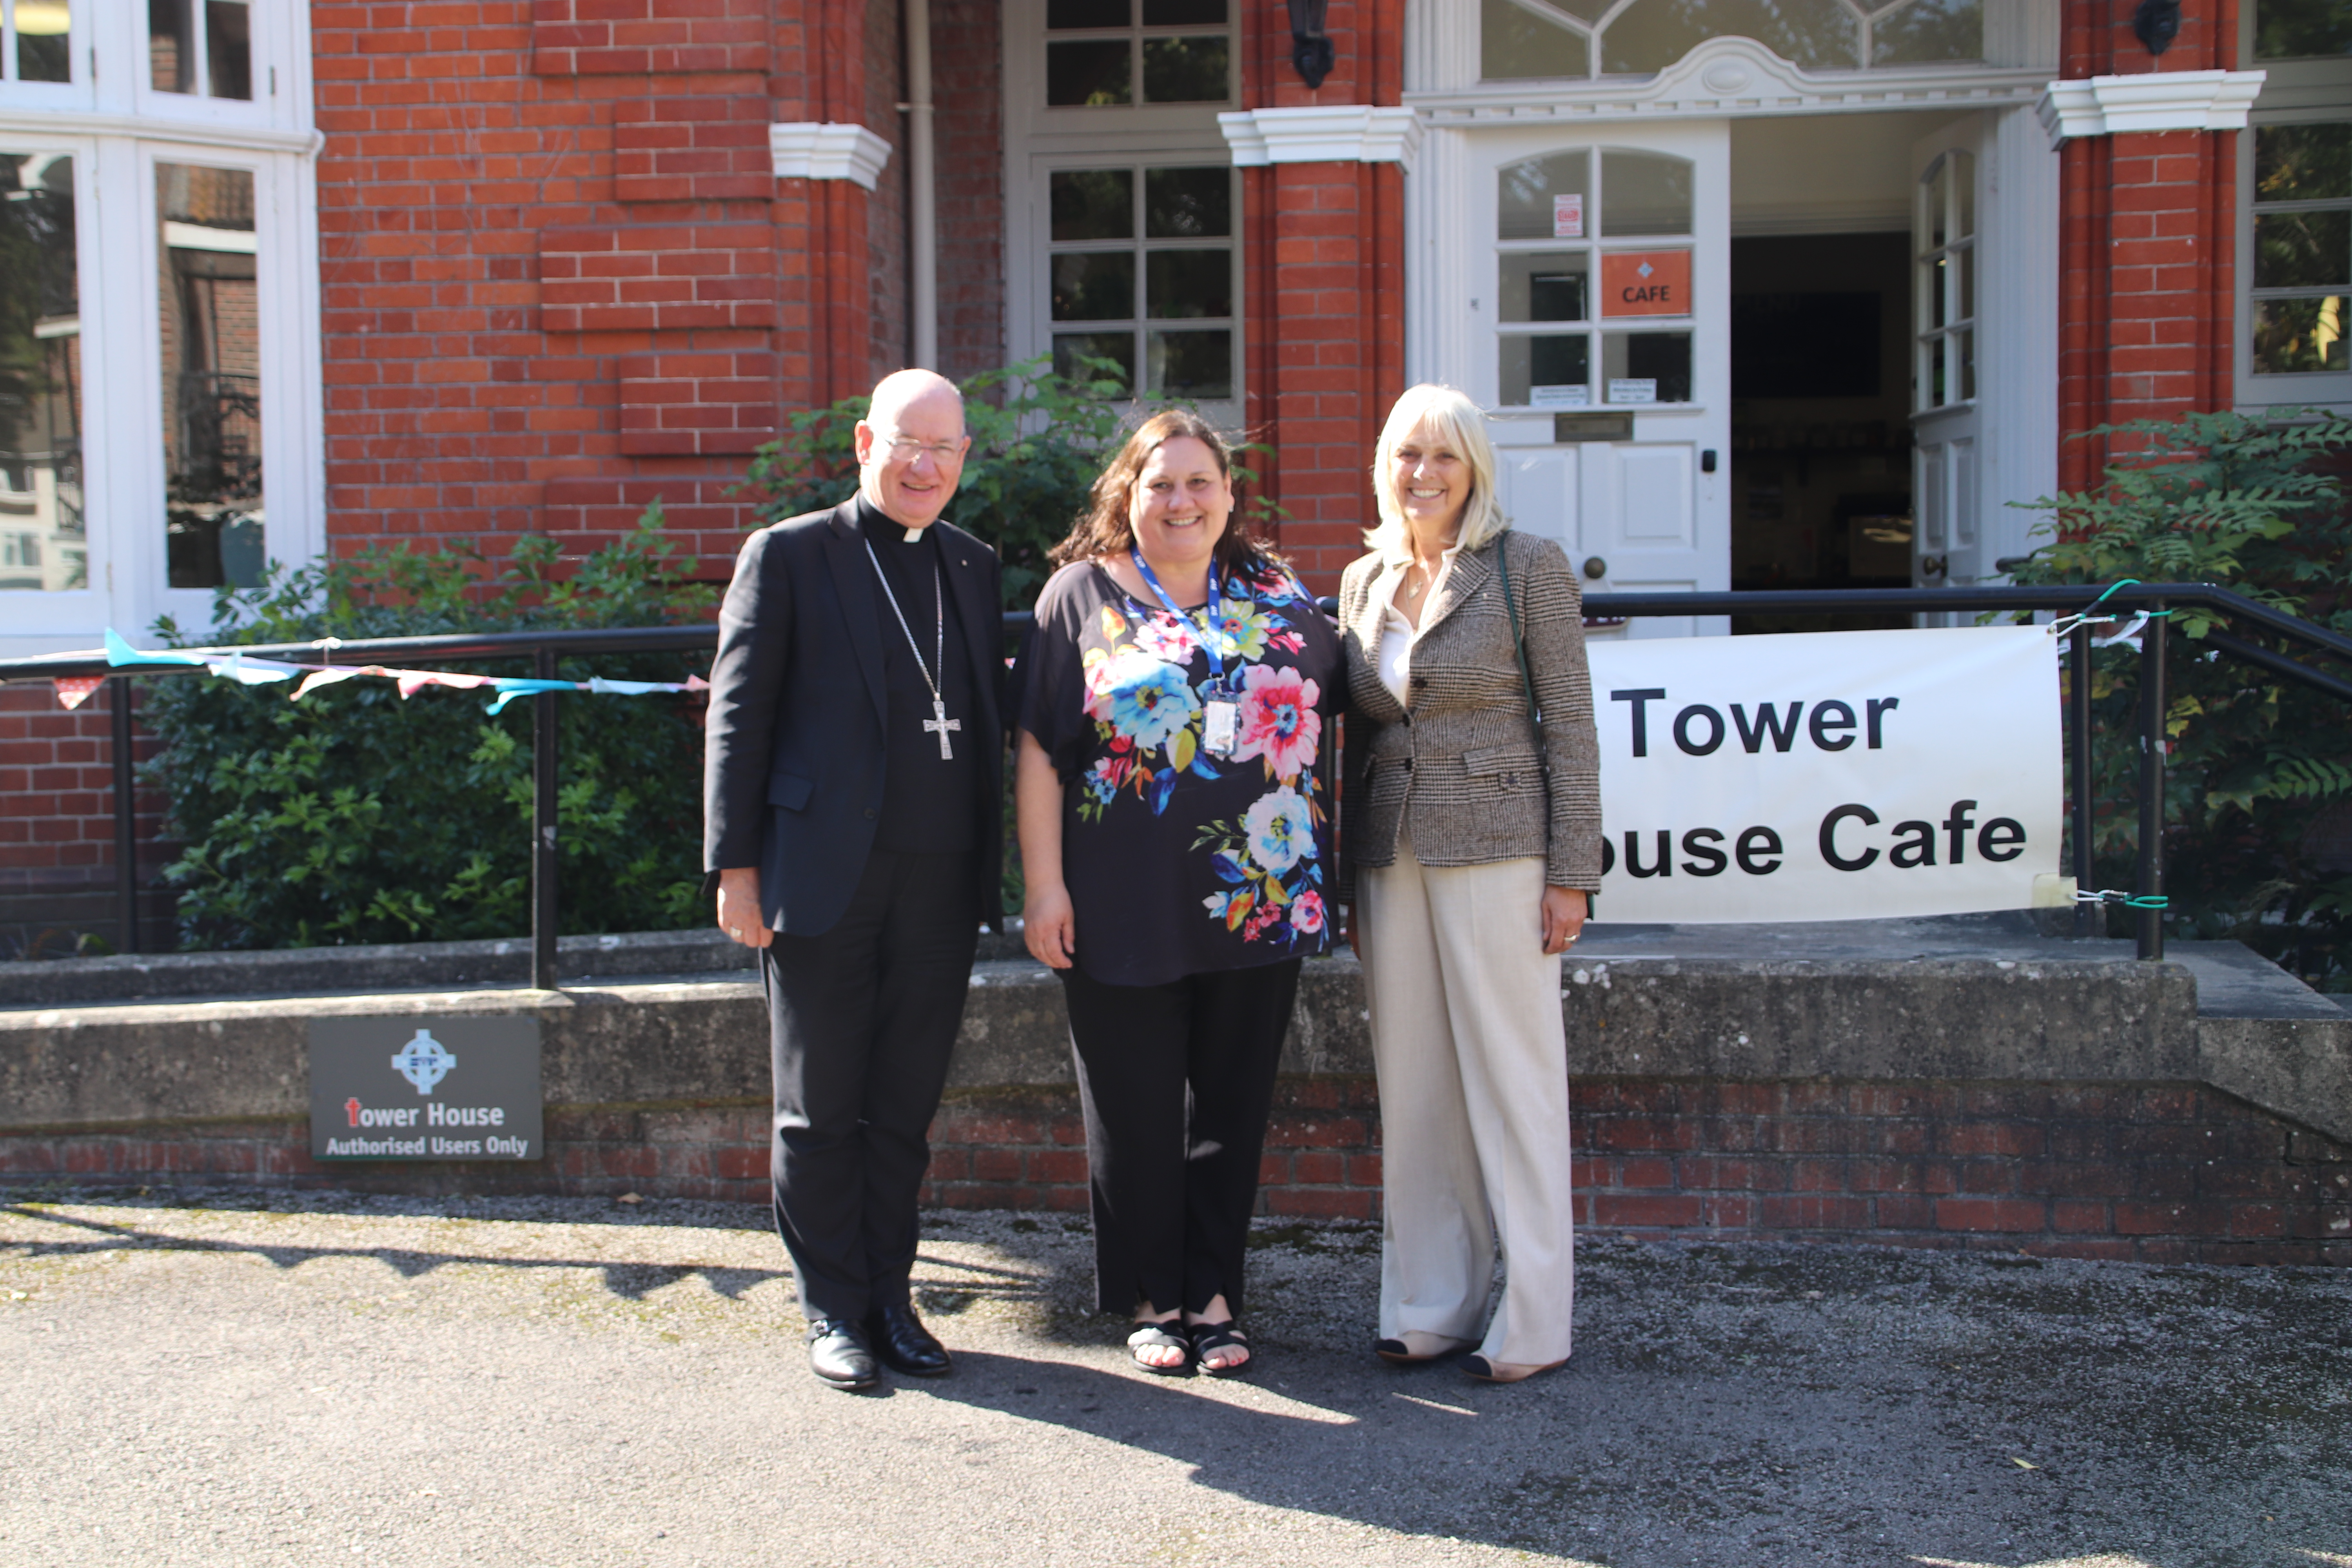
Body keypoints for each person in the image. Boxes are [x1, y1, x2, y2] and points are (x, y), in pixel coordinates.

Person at [1017, 410, 1341, 1378]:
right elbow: (1039, 747)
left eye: (1201, 482)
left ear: (1231, 496)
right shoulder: (1079, 594)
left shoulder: (1278, 594)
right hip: (1119, 895)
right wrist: (1043, 887)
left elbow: (1354, 691)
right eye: (1162, 483)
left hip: (1260, 891)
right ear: (1127, 492)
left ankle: (1215, 1294)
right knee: (1134, 1106)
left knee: (1232, 1108)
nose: (1182, 500)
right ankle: (1156, 1297)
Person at [703, 368, 1004, 1393]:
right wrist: (735, 869)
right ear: (866, 441)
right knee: (819, 1108)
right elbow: (737, 718)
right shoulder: (788, 555)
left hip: (941, 883)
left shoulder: (969, 564)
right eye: (907, 443)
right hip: (820, 878)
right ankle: (832, 1307)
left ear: (964, 461)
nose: (925, 465)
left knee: (903, 1109)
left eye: (946, 450)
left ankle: (890, 1296)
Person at [1336, 383, 1602, 1385]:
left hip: (1501, 842)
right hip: (1390, 851)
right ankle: (1429, 1303)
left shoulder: (1525, 565)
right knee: (1414, 1084)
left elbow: (1569, 725)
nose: (1424, 474)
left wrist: (1573, 873)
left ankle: (1533, 1317)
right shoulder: (1364, 578)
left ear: (1475, 468)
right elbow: (1357, 731)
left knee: (1515, 1080)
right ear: (1385, 464)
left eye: (1444, 456)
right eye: (1407, 454)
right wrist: (1343, 874)